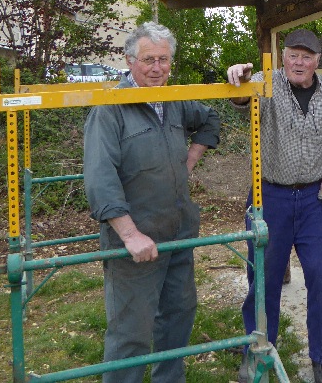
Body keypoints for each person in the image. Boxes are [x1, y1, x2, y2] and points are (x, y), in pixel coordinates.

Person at [84, 22, 221, 383]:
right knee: (131, 331)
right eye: (148, 60)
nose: (156, 68)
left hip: (178, 231)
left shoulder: (174, 100)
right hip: (136, 240)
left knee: (178, 315)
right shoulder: (110, 108)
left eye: (163, 59)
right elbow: (100, 177)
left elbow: (209, 118)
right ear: (130, 61)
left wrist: (190, 158)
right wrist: (129, 235)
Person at [226, 28, 322, 383]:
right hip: (269, 196)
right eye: (293, 55)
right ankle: (257, 353)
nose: (299, 62)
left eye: (307, 56)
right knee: (263, 278)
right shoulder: (267, 80)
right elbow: (242, 96)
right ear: (283, 57)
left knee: (321, 277)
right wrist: (239, 78)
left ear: (318, 61)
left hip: (312, 200)